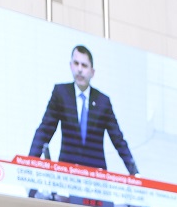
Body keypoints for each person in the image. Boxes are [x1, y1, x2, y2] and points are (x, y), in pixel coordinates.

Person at [28, 44, 139, 175]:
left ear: (92, 72)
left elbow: (118, 140)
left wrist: (135, 173)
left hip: (96, 174)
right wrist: (29, 164)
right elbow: (44, 130)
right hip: (67, 173)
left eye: (84, 65)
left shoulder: (103, 101)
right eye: (76, 64)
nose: (79, 69)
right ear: (70, 66)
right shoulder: (61, 93)